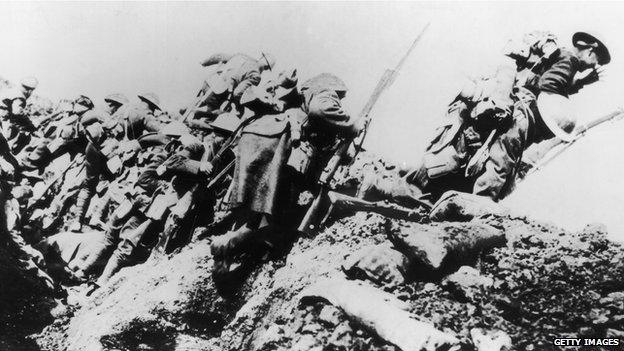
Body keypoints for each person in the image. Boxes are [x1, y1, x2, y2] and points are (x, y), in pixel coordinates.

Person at [361, 31, 611, 204]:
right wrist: (484, 206)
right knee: (464, 161)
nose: (592, 64)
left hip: (499, 109)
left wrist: (578, 84)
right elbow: (549, 86)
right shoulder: (568, 60)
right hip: (517, 107)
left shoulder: (560, 58)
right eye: (594, 58)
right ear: (589, 49)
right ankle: (390, 188)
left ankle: (387, 187)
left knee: (451, 161)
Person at [209, 72, 360, 283]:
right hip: (280, 149)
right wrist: (353, 125)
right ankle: (230, 245)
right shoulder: (325, 93)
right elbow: (321, 109)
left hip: (262, 141)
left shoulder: (299, 103)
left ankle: (232, 248)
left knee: (259, 215)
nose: (339, 99)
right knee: (278, 219)